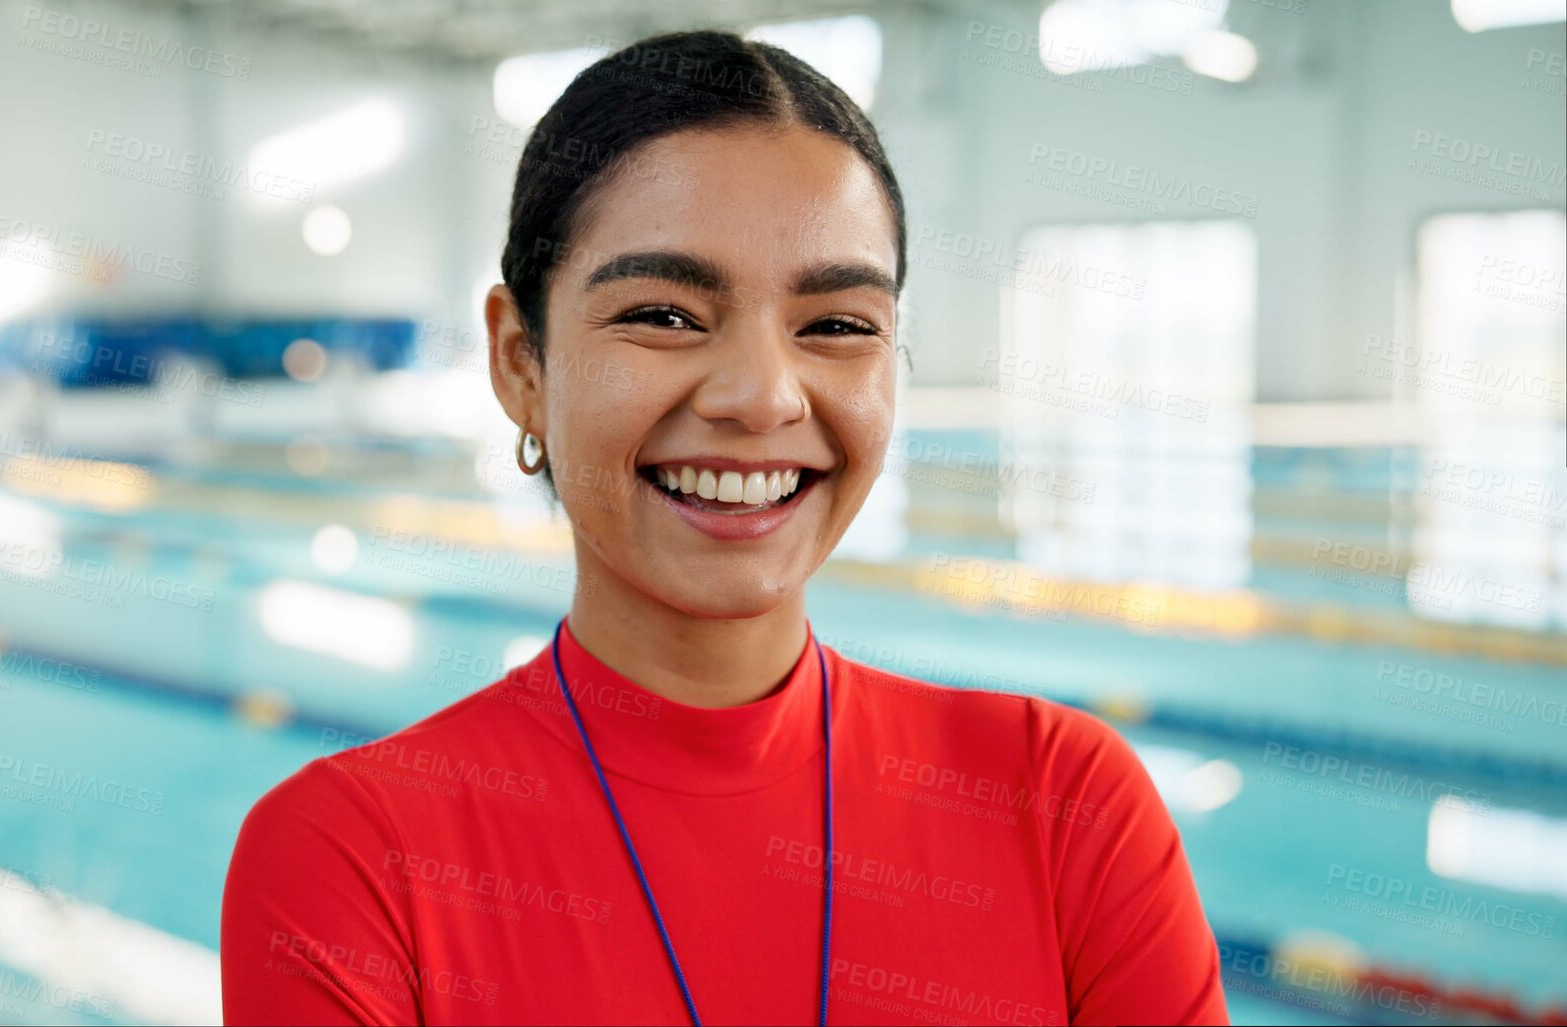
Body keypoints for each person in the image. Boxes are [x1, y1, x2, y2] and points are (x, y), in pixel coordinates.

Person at [223, 29, 1228, 1026]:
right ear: (522, 362)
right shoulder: (352, 860)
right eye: (663, 315)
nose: (761, 397)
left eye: (837, 325)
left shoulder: (1062, 804)